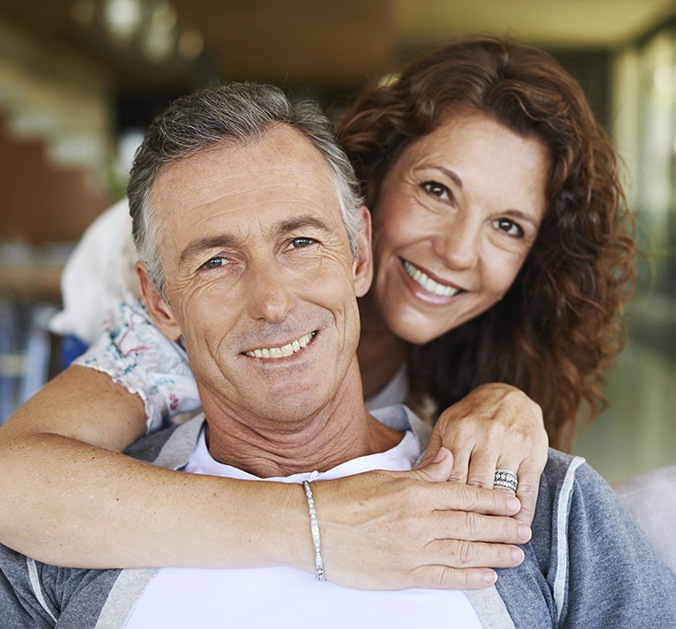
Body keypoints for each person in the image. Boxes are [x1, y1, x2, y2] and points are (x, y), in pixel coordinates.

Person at [0, 81, 672, 629]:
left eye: (300, 242)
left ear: (356, 250)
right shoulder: (74, 523)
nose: (272, 301)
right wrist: (320, 526)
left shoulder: (541, 501)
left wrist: (510, 403)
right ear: (160, 301)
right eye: (215, 259)